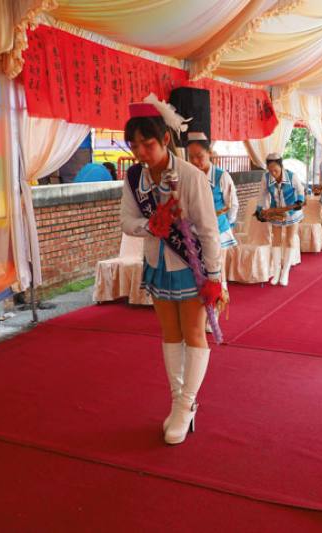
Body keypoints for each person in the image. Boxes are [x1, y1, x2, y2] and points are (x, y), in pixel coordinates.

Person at [119, 96, 222, 445]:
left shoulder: (192, 177)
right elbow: (126, 219)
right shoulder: (134, 178)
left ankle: (185, 404)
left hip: (189, 268)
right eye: (134, 145)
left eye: (147, 144)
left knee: (194, 334)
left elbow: (209, 231)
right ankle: (178, 402)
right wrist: (151, 224)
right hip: (156, 264)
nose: (140, 153)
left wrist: (215, 278)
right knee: (169, 335)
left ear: (165, 139)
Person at [186, 132, 238, 329]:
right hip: (195, 233)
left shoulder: (221, 176)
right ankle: (202, 312)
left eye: (200, 156)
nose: (196, 161)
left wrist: (227, 226)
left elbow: (232, 205)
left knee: (218, 273)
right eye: (191, 157)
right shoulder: (190, 176)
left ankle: (215, 313)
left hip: (219, 232)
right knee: (200, 273)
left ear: (210, 153)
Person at [254, 153, 305, 286]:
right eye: (270, 170)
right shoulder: (266, 178)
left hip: (292, 212)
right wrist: (259, 210)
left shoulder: (292, 176)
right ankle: (276, 271)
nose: (273, 173)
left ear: (281, 166)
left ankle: (285, 272)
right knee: (275, 240)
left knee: (289, 239)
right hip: (275, 212)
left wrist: (300, 201)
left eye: (275, 170)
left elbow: (300, 190)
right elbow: (262, 195)